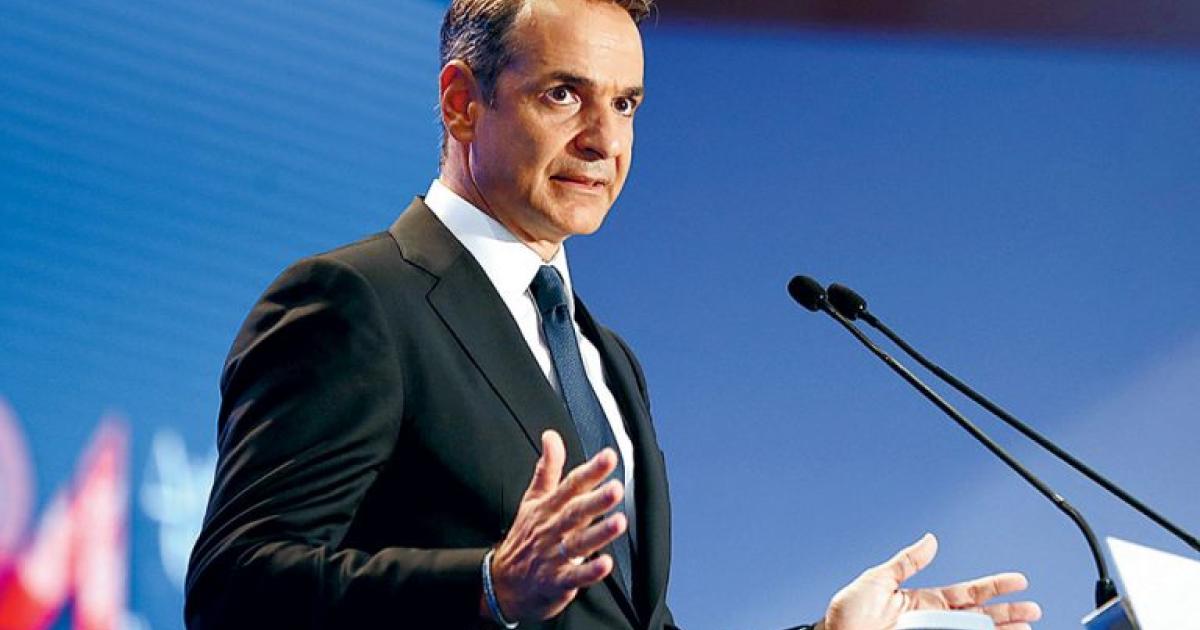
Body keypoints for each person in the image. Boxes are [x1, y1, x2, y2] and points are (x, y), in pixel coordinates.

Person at [184, 0, 1044, 628]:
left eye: (626, 103)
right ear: (461, 101)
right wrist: (487, 586)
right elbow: (234, 587)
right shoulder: (358, 301)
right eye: (565, 94)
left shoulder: (606, 358)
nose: (604, 139)